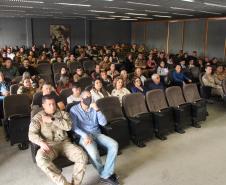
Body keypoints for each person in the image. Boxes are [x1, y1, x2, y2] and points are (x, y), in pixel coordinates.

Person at [29, 94, 87, 185]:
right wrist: (41, 142)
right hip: (49, 145)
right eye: (49, 104)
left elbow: (68, 127)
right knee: (40, 159)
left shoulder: (63, 114)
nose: (52, 106)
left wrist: (53, 119)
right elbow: (31, 134)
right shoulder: (37, 118)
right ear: (43, 105)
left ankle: (76, 183)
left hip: (65, 143)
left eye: (53, 104)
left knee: (82, 156)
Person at [70, 90, 119, 185]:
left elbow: (103, 123)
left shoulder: (94, 107)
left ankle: (105, 174)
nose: (89, 99)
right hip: (84, 136)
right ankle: (106, 174)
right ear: (81, 99)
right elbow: (74, 127)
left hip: (97, 133)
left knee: (114, 145)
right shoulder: (74, 109)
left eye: (90, 97)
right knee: (93, 152)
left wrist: (97, 109)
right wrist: (85, 136)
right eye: (87, 97)